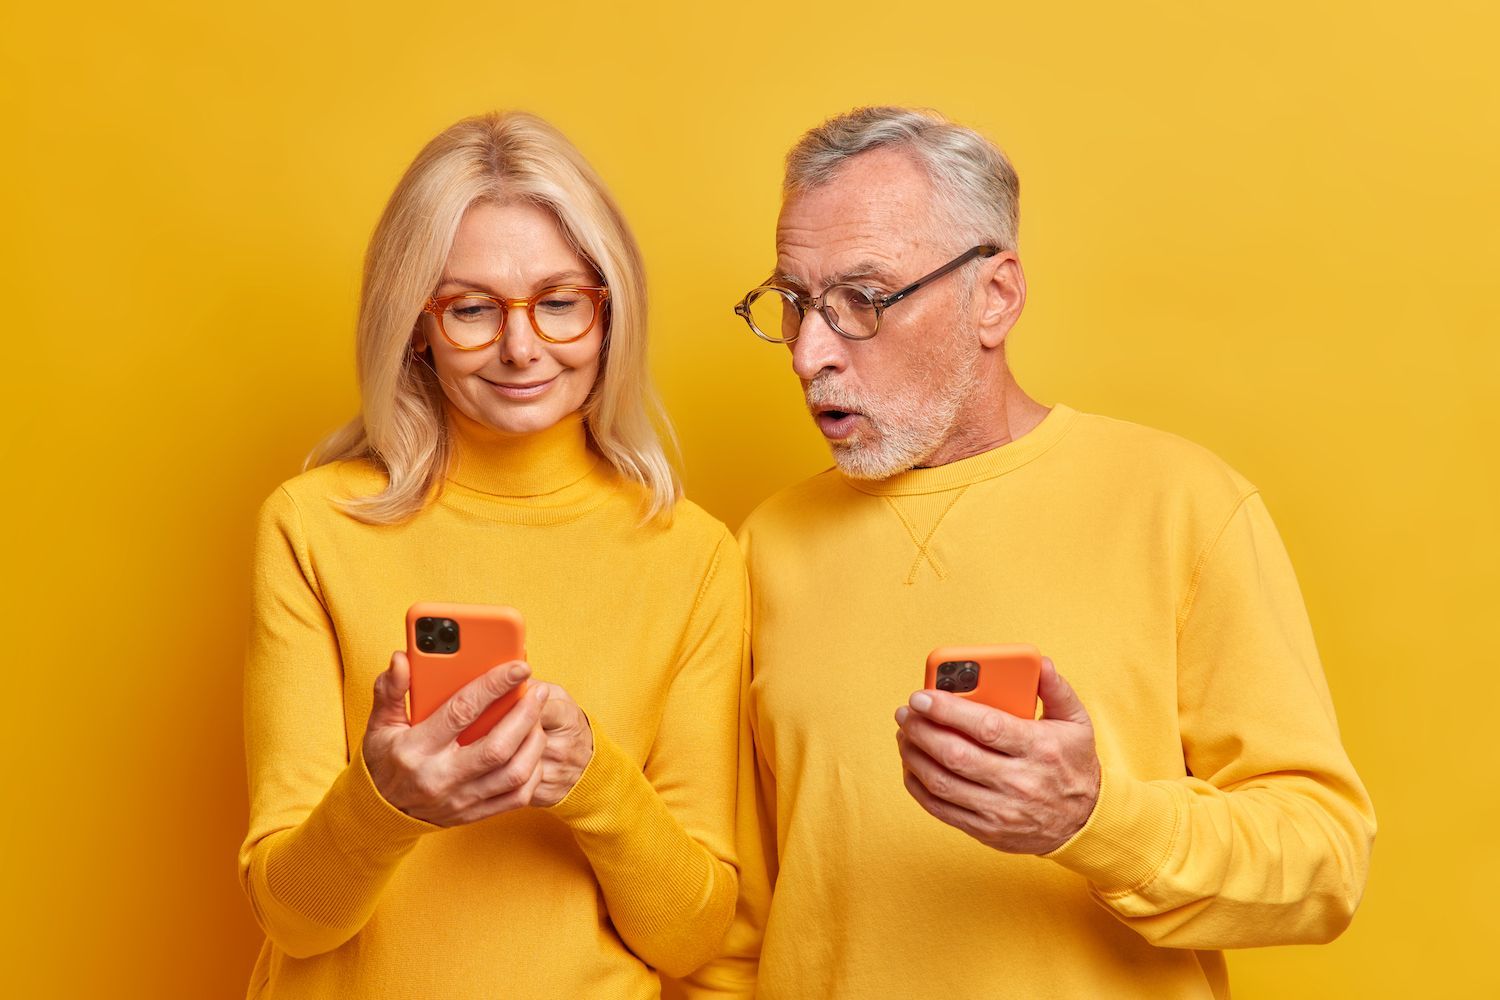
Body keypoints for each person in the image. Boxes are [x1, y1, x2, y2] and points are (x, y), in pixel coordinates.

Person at [697, 106, 1376, 998]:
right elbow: (742, 926)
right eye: (793, 304)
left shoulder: (1180, 505)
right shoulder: (764, 548)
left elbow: (1324, 864)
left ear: (995, 295)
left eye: (861, 301)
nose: (809, 355)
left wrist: (1096, 820)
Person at [238, 111, 746, 999]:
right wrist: (386, 801)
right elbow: (292, 916)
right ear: (415, 326)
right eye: (471, 308)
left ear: (608, 311)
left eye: (559, 302)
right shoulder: (313, 526)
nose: (522, 347)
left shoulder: (693, 554)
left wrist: (592, 779)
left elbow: (692, 937)